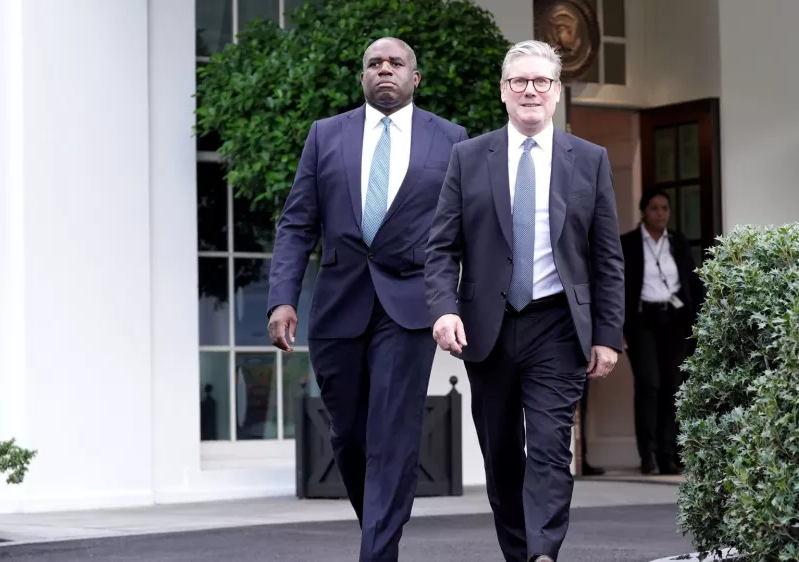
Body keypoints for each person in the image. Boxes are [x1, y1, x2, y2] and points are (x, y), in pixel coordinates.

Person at [266, 37, 468, 562]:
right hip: (338, 305)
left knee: (393, 436)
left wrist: (459, 301)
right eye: (374, 64)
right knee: (349, 437)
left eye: (395, 63)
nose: (385, 70)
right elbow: (296, 223)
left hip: (409, 307)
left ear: (414, 78)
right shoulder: (325, 135)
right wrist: (281, 298)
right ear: (362, 77)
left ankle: (377, 553)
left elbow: (463, 230)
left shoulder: (450, 140)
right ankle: (377, 530)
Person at [424, 40, 625, 562]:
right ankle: (519, 552)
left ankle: (543, 554)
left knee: (552, 447)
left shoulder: (591, 160)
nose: (530, 90)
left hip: (558, 326)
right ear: (503, 92)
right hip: (486, 327)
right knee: (501, 453)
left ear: (557, 92)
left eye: (541, 81)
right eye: (519, 81)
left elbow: (607, 258)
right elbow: (443, 246)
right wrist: (444, 308)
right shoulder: (468, 158)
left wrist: (606, 335)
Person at [620, 189, 704, 476]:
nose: (660, 213)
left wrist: (699, 319)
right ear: (644, 211)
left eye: (665, 208)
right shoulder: (629, 243)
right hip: (642, 319)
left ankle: (669, 453)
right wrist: (614, 326)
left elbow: (691, 280)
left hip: (675, 319)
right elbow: (616, 285)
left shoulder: (678, 242)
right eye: (654, 208)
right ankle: (649, 455)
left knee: (673, 385)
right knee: (649, 384)